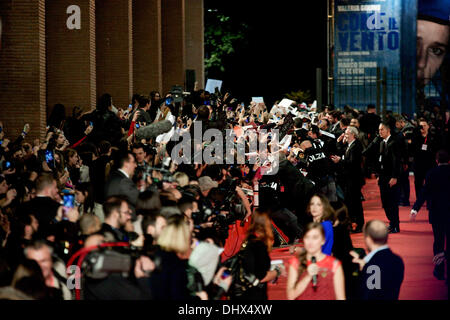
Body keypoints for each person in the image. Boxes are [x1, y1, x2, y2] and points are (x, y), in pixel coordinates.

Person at [410, 150, 450, 282]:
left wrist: (415, 208)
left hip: (437, 213)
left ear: (436, 161)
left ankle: (439, 269)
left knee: (438, 241)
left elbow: (424, 192)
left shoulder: (431, 173)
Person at [286, 222, 345, 300]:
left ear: (323, 240)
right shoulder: (296, 263)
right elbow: (290, 296)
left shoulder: (334, 264)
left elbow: (340, 297)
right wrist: (308, 276)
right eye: (307, 237)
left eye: (315, 237)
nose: (310, 242)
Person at [229, 209, 279, 300]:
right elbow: (261, 276)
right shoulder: (258, 245)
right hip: (252, 294)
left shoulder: (248, 240)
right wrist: (277, 271)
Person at [350, 220, 404, 300]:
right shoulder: (397, 260)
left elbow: (368, 295)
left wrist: (359, 272)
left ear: (368, 239)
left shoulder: (372, 266)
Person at [331, 126, 365, 233]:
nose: (345, 135)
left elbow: (352, 164)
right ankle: (352, 223)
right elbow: (341, 151)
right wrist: (338, 142)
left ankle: (359, 224)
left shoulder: (356, 146)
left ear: (353, 135)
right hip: (349, 179)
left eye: (347, 133)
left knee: (355, 203)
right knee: (350, 202)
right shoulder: (349, 145)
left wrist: (340, 160)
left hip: (354, 179)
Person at [375, 122, 402, 233]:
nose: (380, 132)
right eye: (379, 130)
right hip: (383, 178)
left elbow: (397, 162)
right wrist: (378, 175)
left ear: (388, 130)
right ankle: (392, 222)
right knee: (385, 202)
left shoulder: (394, 143)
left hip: (391, 178)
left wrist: (394, 177)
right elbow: (380, 160)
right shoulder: (382, 143)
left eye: (382, 129)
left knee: (392, 203)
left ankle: (395, 225)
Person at [104, 151, 139, 217]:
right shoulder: (124, 181)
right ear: (126, 163)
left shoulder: (114, 176)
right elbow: (139, 201)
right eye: (134, 162)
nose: (135, 165)